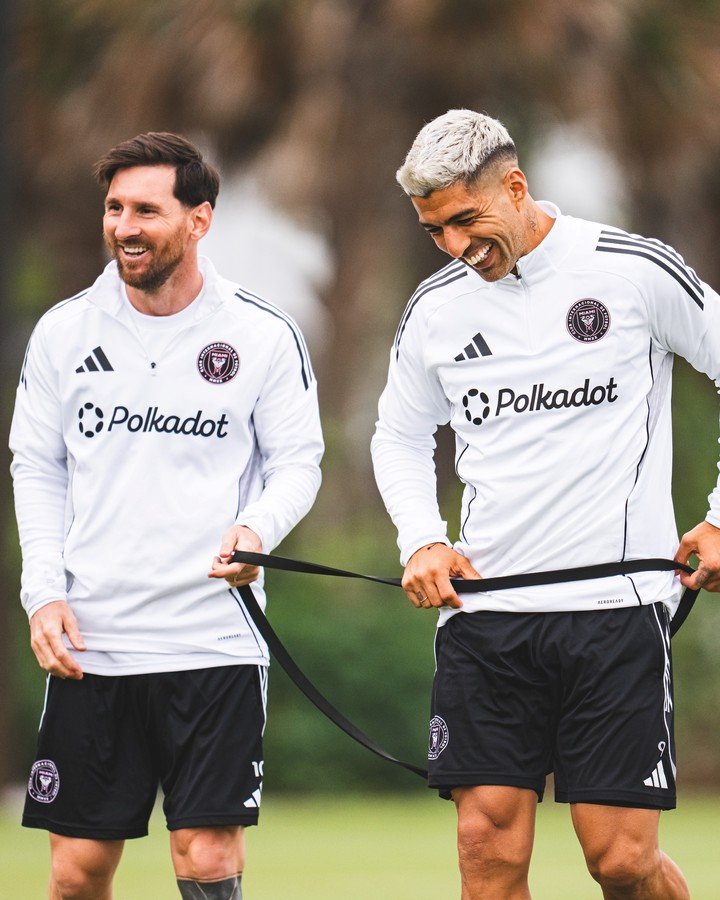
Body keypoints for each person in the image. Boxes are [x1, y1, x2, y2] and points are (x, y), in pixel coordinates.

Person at [371, 109, 720, 899]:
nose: (457, 246)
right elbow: (396, 435)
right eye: (435, 231)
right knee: (484, 853)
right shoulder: (434, 309)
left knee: (622, 861)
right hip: (486, 619)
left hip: (616, 611)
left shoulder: (631, 269)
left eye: (466, 218)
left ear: (517, 186)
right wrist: (422, 539)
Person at [10, 132, 323, 900]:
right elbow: (36, 467)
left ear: (199, 220)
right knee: (77, 872)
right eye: (114, 208)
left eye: (146, 209)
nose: (124, 226)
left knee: (207, 857)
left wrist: (256, 532)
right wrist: (42, 592)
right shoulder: (63, 332)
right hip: (95, 644)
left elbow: (297, 464)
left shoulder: (260, 333)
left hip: (213, 640)